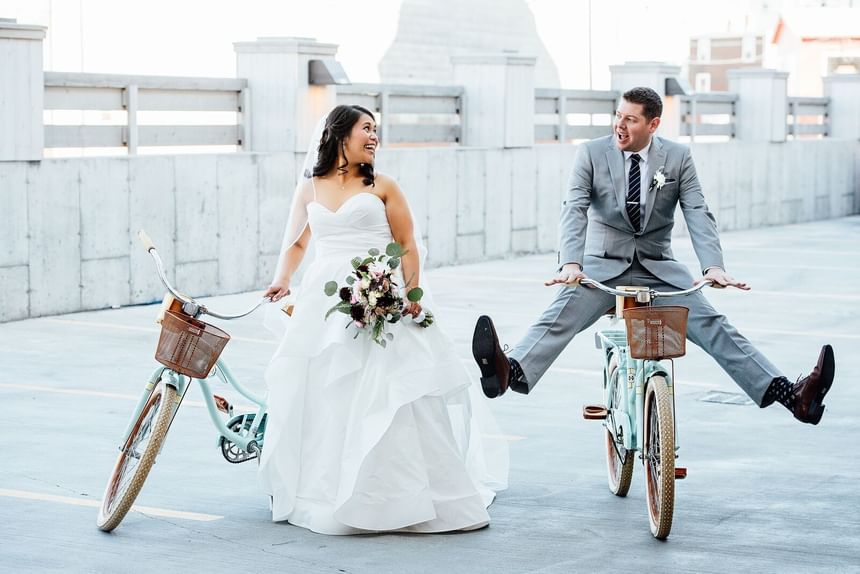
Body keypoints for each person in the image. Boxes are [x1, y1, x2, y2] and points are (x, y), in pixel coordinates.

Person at [471, 87, 835, 425]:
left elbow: (697, 211)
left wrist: (714, 267)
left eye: (630, 119)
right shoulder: (592, 153)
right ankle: (509, 371)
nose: (620, 125)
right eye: (618, 115)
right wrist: (571, 263)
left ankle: (794, 396)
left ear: (653, 124)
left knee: (714, 324)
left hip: (659, 270)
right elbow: (574, 208)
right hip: (602, 268)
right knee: (562, 310)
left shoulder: (677, 157)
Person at [258, 105, 508, 535]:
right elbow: (298, 244)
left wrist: (409, 292)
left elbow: (408, 243)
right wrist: (283, 280)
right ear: (340, 135)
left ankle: (405, 494)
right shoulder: (311, 188)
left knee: (394, 390)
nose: (374, 137)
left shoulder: (385, 186)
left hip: (384, 294)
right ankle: (332, 490)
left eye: (377, 131)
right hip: (328, 303)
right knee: (328, 391)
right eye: (366, 129)